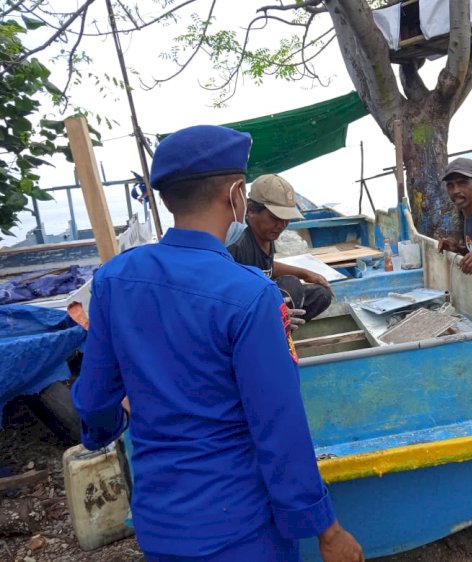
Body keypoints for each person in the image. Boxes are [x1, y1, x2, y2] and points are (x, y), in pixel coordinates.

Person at [70, 125, 363, 562]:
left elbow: (94, 401)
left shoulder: (114, 279)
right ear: (237, 195)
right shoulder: (250, 296)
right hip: (239, 529)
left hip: (159, 523)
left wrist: (106, 427)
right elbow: (279, 429)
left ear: (166, 198)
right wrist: (326, 528)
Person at [228, 174, 333, 324]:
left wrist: (306, 273)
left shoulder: (266, 235)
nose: (282, 225)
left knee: (321, 294)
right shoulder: (238, 244)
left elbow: (267, 267)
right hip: (247, 312)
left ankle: (282, 325)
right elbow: (227, 299)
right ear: (251, 210)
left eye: (286, 219)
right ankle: (274, 329)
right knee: (291, 285)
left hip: (265, 299)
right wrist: (267, 314)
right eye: (275, 218)